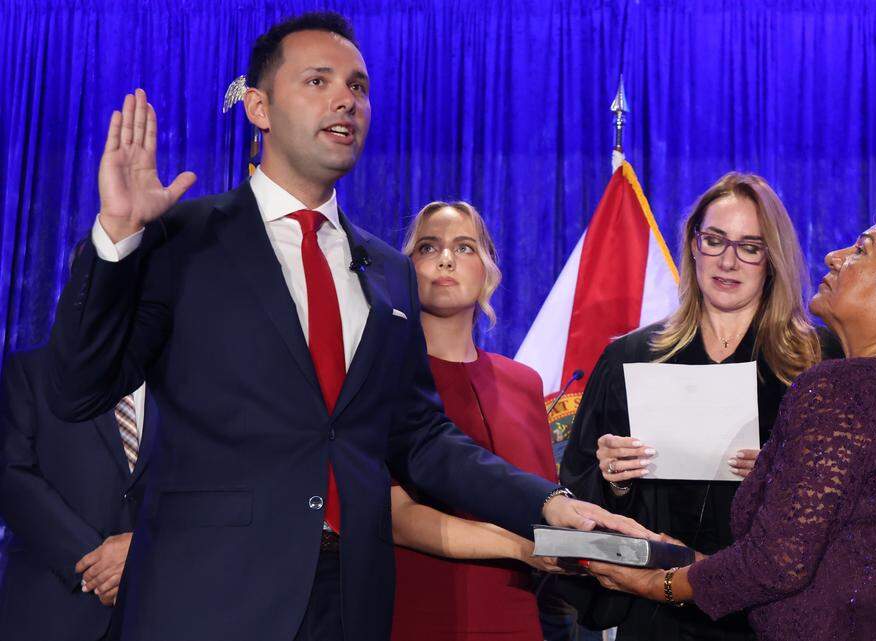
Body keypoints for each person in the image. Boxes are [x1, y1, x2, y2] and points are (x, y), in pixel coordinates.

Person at [45, 13, 648, 641]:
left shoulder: (388, 271)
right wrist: (116, 239)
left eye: (358, 86)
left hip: (351, 599)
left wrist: (548, 504)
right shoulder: (183, 240)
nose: (345, 100)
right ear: (259, 108)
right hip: (209, 598)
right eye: (318, 81)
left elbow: (420, 437)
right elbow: (77, 390)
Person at [586, 196, 876, 641]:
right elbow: (844, 561)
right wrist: (691, 561)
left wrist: (658, 583)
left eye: (861, 250)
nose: (834, 256)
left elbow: (774, 564)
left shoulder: (844, 388)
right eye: (714, 241)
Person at [559, 172, 832, 640]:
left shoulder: (818, 363)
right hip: (655, 615)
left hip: (770, 616)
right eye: (715, 240)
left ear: (772, 258)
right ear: (693, 244)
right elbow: (578, 499)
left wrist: (783, 479)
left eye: (750, 246)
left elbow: (852, 507)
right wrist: (614, 481)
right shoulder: (629, 357)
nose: (728, 261)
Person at [387, 200, 561, 641]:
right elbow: (396, 518)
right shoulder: (382, 375)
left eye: (464, 247)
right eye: (428, 247)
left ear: (488, 271)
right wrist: (522, 548)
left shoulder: (524, 382)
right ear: (404, 269)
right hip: (417, 612)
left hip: (519, 615)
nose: (445, 259)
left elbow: (542, 502)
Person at [0, 346, 152, 640]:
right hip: (51, 613)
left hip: (149, 613)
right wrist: (99, 564)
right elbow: (12, 476)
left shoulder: (177, 380)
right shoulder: (34, 369)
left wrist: (141, 548)